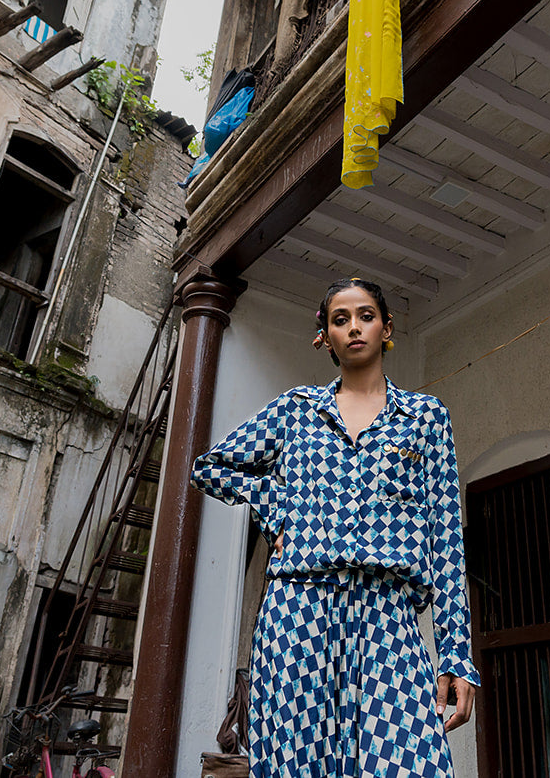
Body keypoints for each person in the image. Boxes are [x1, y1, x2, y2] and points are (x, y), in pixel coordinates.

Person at [192, 276, 478, 777]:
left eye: (366, 316)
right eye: (339, 319)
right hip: (299, 607)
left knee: (411, 763)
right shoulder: (296, 411)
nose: (354, 327)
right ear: (323, 336)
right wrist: (280, 509)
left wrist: (456, 656)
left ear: (387, 328)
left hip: (386, 610)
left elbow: (446, 542)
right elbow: (211, 466)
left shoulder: (425, 418)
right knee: (297, 764)